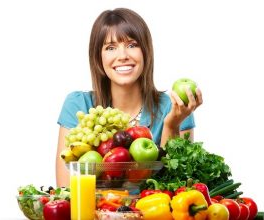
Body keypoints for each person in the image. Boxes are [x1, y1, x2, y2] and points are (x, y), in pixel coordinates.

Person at [56, 8, 203, 187]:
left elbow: (177, 188)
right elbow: (66, 193)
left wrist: (171, 126)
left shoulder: (174, 108)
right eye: (110, 48)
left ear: (146, 52)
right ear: (98, 58)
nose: (123, 56)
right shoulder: (78, 105)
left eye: (132, 45)